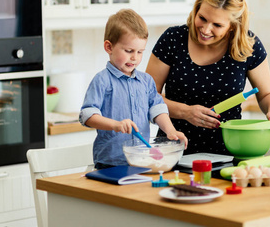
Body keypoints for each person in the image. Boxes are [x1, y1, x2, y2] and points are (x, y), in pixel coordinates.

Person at [146, 0, 270, 155]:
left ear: (232, 26)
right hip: (174, 152)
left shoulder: (247, 46)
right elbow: (148, 97)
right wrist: (186, 112)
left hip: (231, 152)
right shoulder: (173, 39)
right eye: (202, 18)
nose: (206, 30)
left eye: (217, 25)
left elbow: (267, 94)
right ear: (197, 9)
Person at [79, 9, 188, 169]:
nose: (134, 57)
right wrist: (115, 125)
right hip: (110, 162)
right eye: (128, 51)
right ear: (109, 47)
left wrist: (170, 131)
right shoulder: (102, 81)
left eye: (140, 52)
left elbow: (157, 109)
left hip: (141, 161)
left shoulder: (146, 81)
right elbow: (87, 116)